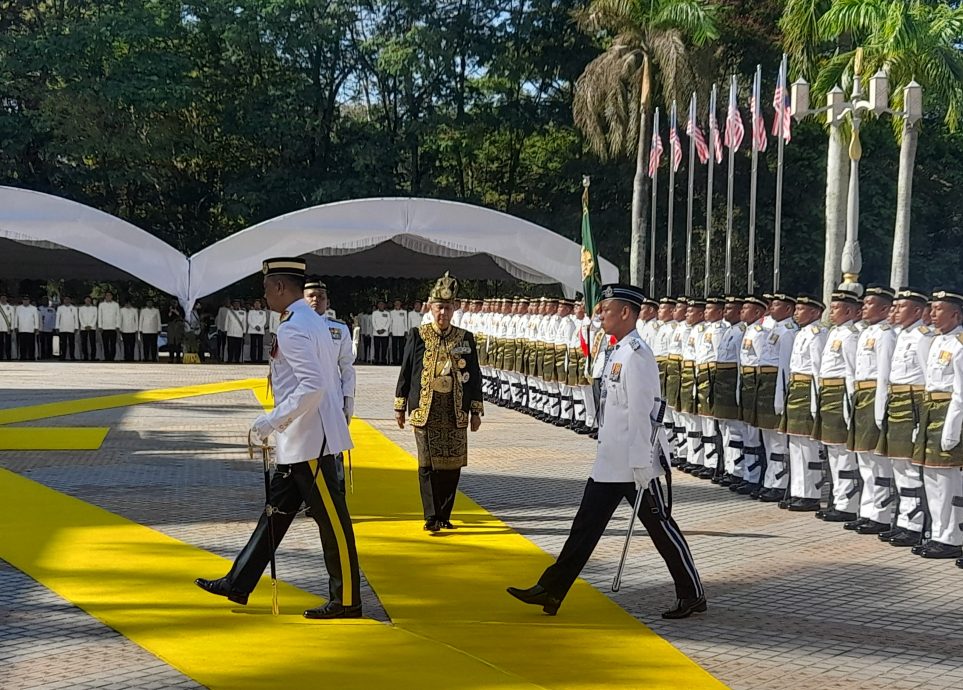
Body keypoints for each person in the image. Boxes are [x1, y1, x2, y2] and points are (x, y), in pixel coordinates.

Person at [506, 283, 704, 619]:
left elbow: (645, 412)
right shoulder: (616, 350)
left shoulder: (637, 355)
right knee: (584, 527)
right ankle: (552, 590)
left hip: (636, 463)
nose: (600, 315)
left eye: (605, 309)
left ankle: (693, 594)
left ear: (625, 313)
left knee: (661, 528)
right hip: (611, 461)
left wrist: (643, 462)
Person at [196, 256, 361, 620]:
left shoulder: (294, 327)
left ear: (281, 288)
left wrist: (270, 422)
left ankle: (347, 600)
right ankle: (238, 582)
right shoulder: (311, 321)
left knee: (333, 522)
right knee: (275, 514)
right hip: (302, 440)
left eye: (267, 287)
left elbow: (313, 386)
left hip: (310, 440)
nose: (264, 294)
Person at [394, 272, 483, 532]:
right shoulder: (418, 335)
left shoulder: (465, 338)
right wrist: (400, 406)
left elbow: (474, 376)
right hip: (426, 408)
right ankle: (431, 516)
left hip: (454, 410)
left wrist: (476, 410)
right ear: (431, 308)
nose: (443, 312)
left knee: (452, 465)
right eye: (439, 307)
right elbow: (406, 371)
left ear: (454, 309)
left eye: (447, 307)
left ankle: (445, 514)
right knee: (426, 463)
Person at [877, 287, 933, 546]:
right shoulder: (899, 335)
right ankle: (902, 519)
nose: (895, 310)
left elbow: (928, 380)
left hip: (912, 404)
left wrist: (921, 418)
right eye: (895, 306)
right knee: (898, 464)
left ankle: (915, 524)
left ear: (918, 311)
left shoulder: (923, 337)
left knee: (910, 467)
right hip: (897, 401)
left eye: (901, 307)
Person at [911, 288, 963, 561]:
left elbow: (960, 394)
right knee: (931, 477)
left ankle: (952, 536)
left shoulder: (959, 344)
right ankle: (939, 533)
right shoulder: (936, 342)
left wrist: (951, 431)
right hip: (931, 411)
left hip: (948, 415)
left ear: (955, 314)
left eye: (939, 309)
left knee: (948, 480)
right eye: (932, 308)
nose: (932, 313)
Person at [845, 284, 897, 534]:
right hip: (861, 396)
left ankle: (881, 514)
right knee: (864, 459)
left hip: (875, 396)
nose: (863, 307)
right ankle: (867, 511)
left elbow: (885, 375)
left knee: (877, 461)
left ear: (885, 308)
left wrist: (880, 410)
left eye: (869, 303)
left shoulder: (886, 334)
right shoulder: (866, 332)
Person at [780, 294, 828, 510]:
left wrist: (816, 402)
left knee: (807, 445)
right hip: (796, 389)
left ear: (815, 313)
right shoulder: (801, 333)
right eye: (796, 309)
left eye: (801, 309)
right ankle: (798, 491)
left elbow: (818, 370)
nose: (797, 312)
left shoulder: (817, 334)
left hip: (808, 388)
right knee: (796, 444)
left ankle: (811, 494)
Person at [98, 291, 121, 361]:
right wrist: (100, 326)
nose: (108, 297)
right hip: (104, 328)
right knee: (105, 344)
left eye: (109, 295)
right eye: (107, 295)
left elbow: (118, 316)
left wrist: (117, 325)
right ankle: (106, 357)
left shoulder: (116, 305)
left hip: (113, 327)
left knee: (113, 344)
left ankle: (112, 358)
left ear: (112, 296)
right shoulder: (101, 305)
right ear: (105, 296)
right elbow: (100, 315)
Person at [56, 296, 80, 361]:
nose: (67, 300)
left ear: (70, 300)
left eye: (68, 299)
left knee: (72, 343)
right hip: (62, 328)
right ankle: (62, 356)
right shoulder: (60, 308)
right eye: (65, 299)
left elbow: (76, 319)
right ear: (63, 300)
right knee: (63, 343)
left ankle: (72, 356)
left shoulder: (74, 308)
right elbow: (58, 318)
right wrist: (57, 327)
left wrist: (76, 327)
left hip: (71, 328)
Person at [16, 295, 39, 361]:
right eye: (24, 300)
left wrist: (36, 327)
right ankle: (22, 357)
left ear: (29, 301)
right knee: (22, 344)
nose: (25, 301)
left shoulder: (33, 308)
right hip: (21, 328)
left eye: (27, 300)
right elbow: (16, 318)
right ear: (22, 301)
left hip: (31, 329)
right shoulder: (18, 308)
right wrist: (16, 326)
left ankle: (31, 357)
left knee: (31, 344)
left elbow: (36, 318)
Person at [225, 298, 246, 364]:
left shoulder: (243, 312)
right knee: (230, 347)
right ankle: (230, 359)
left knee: (238, 347)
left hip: (239, 332)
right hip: (230, 332)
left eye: (237, 304)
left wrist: (244, 331)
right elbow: (226, 322)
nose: (236, 305)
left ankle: (237, 360)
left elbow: (244, 322)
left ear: (239, 305)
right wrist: (226, 330)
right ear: (233, 305)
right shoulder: (229, 312)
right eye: (235, 304)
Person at [247, 299, 268, 363]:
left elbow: (264, 321)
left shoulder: (263, 312)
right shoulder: (251, 312)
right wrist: (255, 326)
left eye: (258, 303)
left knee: (260, 345)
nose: (257, 305)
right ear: (254, 305)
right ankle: (253, 359)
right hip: (253, 330)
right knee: (253, 345)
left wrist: (259, 326)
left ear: (260, 304)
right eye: (256, 303)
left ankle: (259, 359)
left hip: (260, 330)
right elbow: (249, 320)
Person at [79, 296, 98, 361]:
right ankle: (85, 357)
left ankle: (93, 357)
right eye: (87, 300)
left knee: (92, 343)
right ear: (84, 300)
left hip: (92, 328)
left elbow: (95, 317)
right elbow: (80, 318)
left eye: (89, 300)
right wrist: (84, 325)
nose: (88, 301)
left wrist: (91, 325)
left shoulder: (94, 308)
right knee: (84, 343)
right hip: (83, 328)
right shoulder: (81, 308)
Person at [389, 299, 408, 364]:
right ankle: (394, 360)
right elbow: (390, 322)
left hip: (402, 332)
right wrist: (390, 330)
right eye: (396, 303)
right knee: (394, 347)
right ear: (394, 304)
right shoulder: (391, 312)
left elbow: (405, 322)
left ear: (400, 304)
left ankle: (401, 360)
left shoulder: (404, 312)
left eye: (398, 303)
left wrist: (406, 330)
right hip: (394, 332)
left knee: (401, 347)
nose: (397, 304)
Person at [0, 294, 14, 360]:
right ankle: (0, 356)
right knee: (0, 343)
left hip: (7, 328)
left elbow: (12, 318)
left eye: (4, 298)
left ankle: (9, 356)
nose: (3, 299)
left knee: (8, 343)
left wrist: (12, 328)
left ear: (6, 299)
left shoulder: (10, 307)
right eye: (2, 298)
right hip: (0, 327)